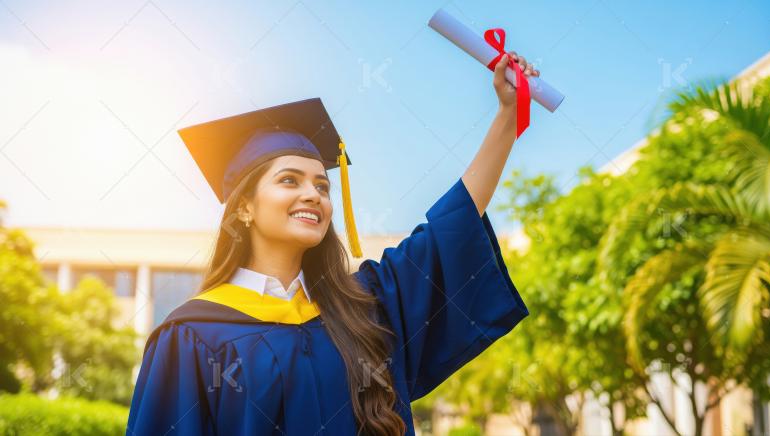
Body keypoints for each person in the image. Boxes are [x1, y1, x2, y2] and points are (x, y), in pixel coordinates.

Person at [126, 52, 538, 435]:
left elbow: (449, 233)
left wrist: (507, 116)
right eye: (290, 180)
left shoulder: (367, 305)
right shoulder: (193, 335)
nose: (313, 194)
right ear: (245, 208)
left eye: (322, 185)